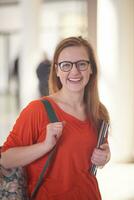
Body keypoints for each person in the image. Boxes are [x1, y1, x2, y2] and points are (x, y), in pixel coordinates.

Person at [1, 36, 111, 200]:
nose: (74, 71)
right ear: (57, 70)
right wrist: (44, 146)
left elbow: (96, 158)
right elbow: (5, 159)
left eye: (81, 64)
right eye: (66, 65)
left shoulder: (98, 112)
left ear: (91, 69)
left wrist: (105, 157)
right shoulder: (37, 110)